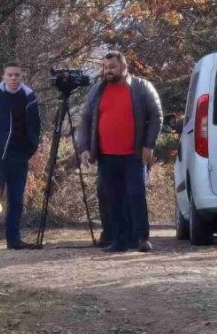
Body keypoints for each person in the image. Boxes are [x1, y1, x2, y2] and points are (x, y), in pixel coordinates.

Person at [76, 51, 162, 253]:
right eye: (105, 67)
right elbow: (85, 119)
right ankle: (119, 241)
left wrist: (149, 145)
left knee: (135, 194)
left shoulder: (142, 87)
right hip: (106, 156)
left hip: (134, 155)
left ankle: (141, 238)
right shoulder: (97, 91)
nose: (108, 71)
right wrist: (84, 148)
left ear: (124, 68)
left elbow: (156, 116)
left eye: (112, 67)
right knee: (112, 198)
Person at [0, 63, 42, 251]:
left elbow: (35, 126)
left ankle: (13, 239)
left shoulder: (29, 97)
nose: (13, 78)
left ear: (21, 77)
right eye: (10, 75)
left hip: (19, 156)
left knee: (16, 200)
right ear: (4, 76)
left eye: (17, 75)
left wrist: (30, 148)